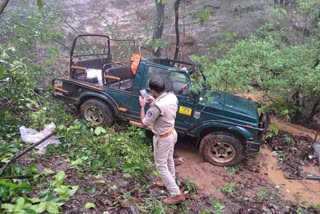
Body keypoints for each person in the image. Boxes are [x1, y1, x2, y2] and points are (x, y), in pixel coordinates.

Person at [139, 76, 185, 205]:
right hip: (171, 133)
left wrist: (143, 106)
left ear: (153, 90)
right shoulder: (171, 96)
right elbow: (164, 110)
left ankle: (176, 194)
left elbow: (144, 123)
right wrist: (154, 101)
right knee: (169, 159)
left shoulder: (157, 107)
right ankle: (170, 183)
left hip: (163, 138)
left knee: (160, 165)